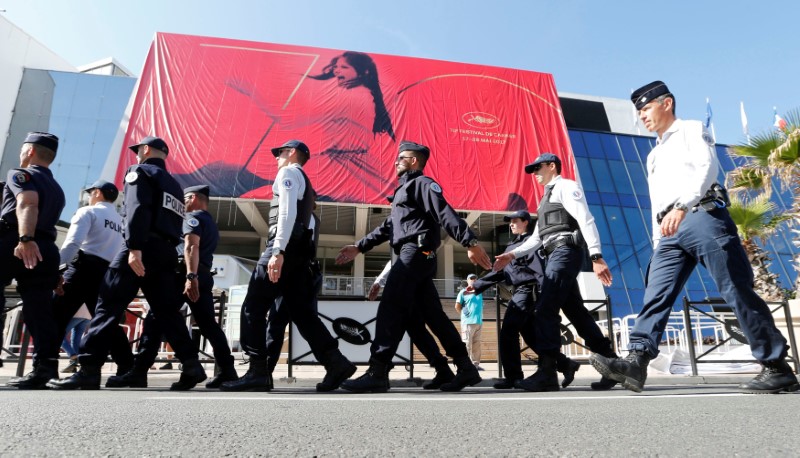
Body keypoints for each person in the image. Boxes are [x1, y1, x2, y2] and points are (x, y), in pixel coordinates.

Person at [591, 81, 800, 394]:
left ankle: (776, 366)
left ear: (667, 103)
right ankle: (636, 361)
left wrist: (681, 206)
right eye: (639, 112)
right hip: (668, 232)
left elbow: (706, 167)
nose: (642, 116)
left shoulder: (690, 129)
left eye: (646, 108)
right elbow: (655, 202)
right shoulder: (653, 155)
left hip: (701, 217)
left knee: (735, 289)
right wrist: (657, 240)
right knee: (655, 295)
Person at [48, 136, 207, 391]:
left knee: (108, 304)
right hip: (165, 251)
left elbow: (137, 208)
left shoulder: (139, 171)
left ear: (145, 150)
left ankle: (89, 369)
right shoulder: (176, 187)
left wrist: (134, 247)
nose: (136, 156)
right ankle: (191, 364)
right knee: (167, 312)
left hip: (140, 247)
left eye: (138, 151)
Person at [335, 140, 493, 393]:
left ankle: (377, 371)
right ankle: (461, 368)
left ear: (413, 161)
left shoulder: (421, 184)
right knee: (431, 316)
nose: (395, 162)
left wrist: (470, 241)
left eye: (400, 158)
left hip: (416, 252)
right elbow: (389, 227)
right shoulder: (404, 191)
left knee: (391, 308)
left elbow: (444, 211)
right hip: (413, 255)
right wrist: (360, 247)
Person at [221, 140, 356, 392]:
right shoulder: (301, 178)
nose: (276, 158)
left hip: (285, 249)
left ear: (292, 153)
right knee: (303, 315)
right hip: (300, 256)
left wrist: (278, 251)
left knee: (253, 306)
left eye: (280, 153)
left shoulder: (288, 172)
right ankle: (336, 362)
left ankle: (257, 371)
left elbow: (285, 212)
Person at [494, 152, 616, 392]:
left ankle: (547, 373)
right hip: (554, 254)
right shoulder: (546, 198)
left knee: (545, 309)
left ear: (552, 166)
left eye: (538, 168)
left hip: (564, 252)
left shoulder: (566, 187)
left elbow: (585, 219)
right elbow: (538, 237)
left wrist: (596, 256)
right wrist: (513, 254)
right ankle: (613, 365)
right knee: (577, 313)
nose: (535, 174)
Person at [107, 184, 238, 389]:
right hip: (203, 275)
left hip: (185, 276)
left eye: (185, 199)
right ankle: (227, 371)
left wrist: (190, 276)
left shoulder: (192, 218)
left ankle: (140, 371)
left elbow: (191, 245)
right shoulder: (210, 222)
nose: (182, 203)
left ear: (194, 198)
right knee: (208, 326)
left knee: (155, 319)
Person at [225, 51, 395, 200]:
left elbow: (285, 119)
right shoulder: (364, 93)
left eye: (344, 67)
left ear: (362, 72)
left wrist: (249, 89)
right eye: (336, 66)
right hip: (342, 161)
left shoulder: (350, 97)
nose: (336, 70)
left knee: (274, 184)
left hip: (341, 166)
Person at [470, 210, 581, 389]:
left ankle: (513, 376)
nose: (511, 224)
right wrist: (477, 285)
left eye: (515, 221)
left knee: (508, 332)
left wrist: (545, 298)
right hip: (520, 291)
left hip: (529, 291)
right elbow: (500, 272)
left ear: (526, 223)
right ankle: (565, 363)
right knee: (530, 335)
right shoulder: (511, 246)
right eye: (510, 221)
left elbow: (539, 271)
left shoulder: (531, 244)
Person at [0, 132, 65, 389]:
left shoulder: (21, 174)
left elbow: (28, 203)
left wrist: (25, 238)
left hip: (17, 241)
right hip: (47, 248)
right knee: (39, 309)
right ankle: (45, 367)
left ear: (29, 151)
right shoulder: (57, 187)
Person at [50, 179, 133, 377]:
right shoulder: (121, 222)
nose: (89, 197)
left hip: (82, 269)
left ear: (96, 192)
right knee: (106, 321)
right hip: (108, 272)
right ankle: (127, 365)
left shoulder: (88, 212)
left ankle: (46, 367)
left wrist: (57, 270)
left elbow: (72, 243)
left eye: (90, 193)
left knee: (55, 317)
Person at [369, 260, 455, 389]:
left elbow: (399, 260)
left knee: (395, 328)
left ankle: (379, 373)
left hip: (407, 288)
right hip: (412, 288)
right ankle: (443, 369)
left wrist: (379, 281)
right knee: (417, 332)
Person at [456, 274, 483, 370]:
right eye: (471, 278)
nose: (474, 280)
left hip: (478, 322)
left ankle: (475, 364)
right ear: (467, 280)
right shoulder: (463, 292)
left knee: (477, 344)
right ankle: (465, 365)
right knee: (467, 344)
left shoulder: (479, 292)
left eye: (475, 278)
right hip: (468, 322)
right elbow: (457, 306)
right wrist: (463, 314)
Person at [59, 305, 91, 373]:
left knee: (58, 335)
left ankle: (73, 357)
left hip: (76, 312)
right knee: (76, 338)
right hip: (88, 314)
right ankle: (73, 365)